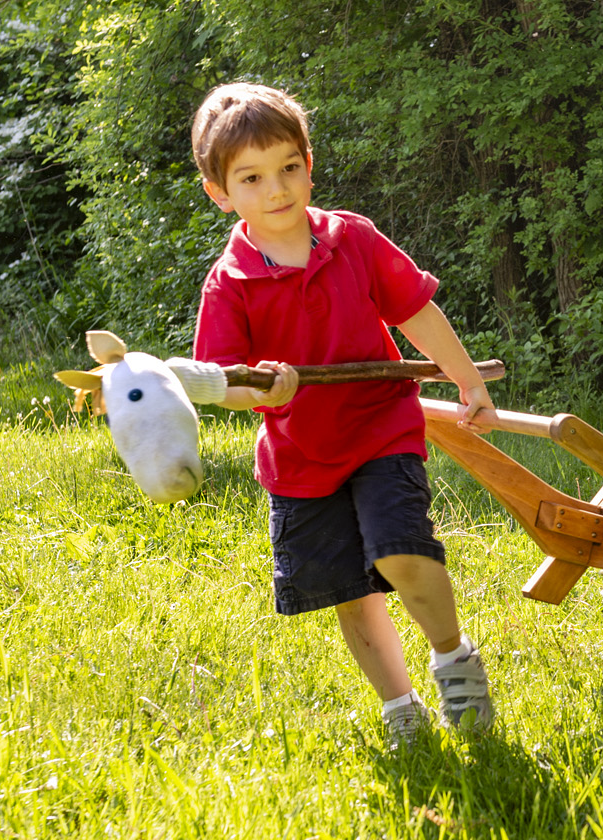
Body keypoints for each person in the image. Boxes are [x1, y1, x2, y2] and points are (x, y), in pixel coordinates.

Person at [188, 82, 496, 746]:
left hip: (381, 426)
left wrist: (467, 379)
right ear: (220, 192)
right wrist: (264, 392)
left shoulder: (350, 239)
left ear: (308, 162)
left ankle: (453, 659)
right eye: (252, 177)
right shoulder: (229, 282)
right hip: (301, 458)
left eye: (289, 168)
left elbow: (414, 308)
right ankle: (399, 707)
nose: (277, 189)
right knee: (351, 592)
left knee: (401, 554)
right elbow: (224, 383)